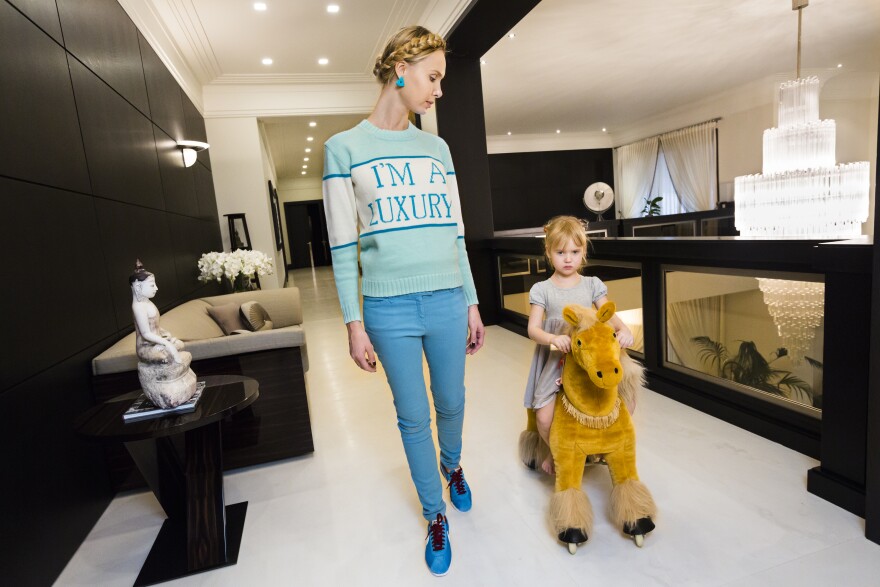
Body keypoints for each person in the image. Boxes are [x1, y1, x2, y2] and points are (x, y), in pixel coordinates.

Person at [321, 26, 485, 576]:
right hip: (387, 310)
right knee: (412, 418)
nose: (438, 90)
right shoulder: (342, 150)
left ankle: (453, 466)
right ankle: (435, 514)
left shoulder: (437, 148)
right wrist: (353, 322)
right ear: (401, 68)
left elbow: (457, 233)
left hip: (446, 298)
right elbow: (343, 247)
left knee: (453, 404)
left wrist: (471, 302)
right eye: (433, 77)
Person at [525, 216, 634, 474]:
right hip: (556, 357)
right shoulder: (542, 289)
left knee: (625, 401)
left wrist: (626, 331)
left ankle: (605, 446)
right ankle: (555, 452)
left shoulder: (592, 285)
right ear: (549, 252)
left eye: (574, 252)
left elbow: (615, 322)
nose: (568, 258)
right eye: (560, 252)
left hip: (590, 359)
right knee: (543, 414)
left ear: (583, 252)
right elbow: (532, 329)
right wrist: (553, 338)